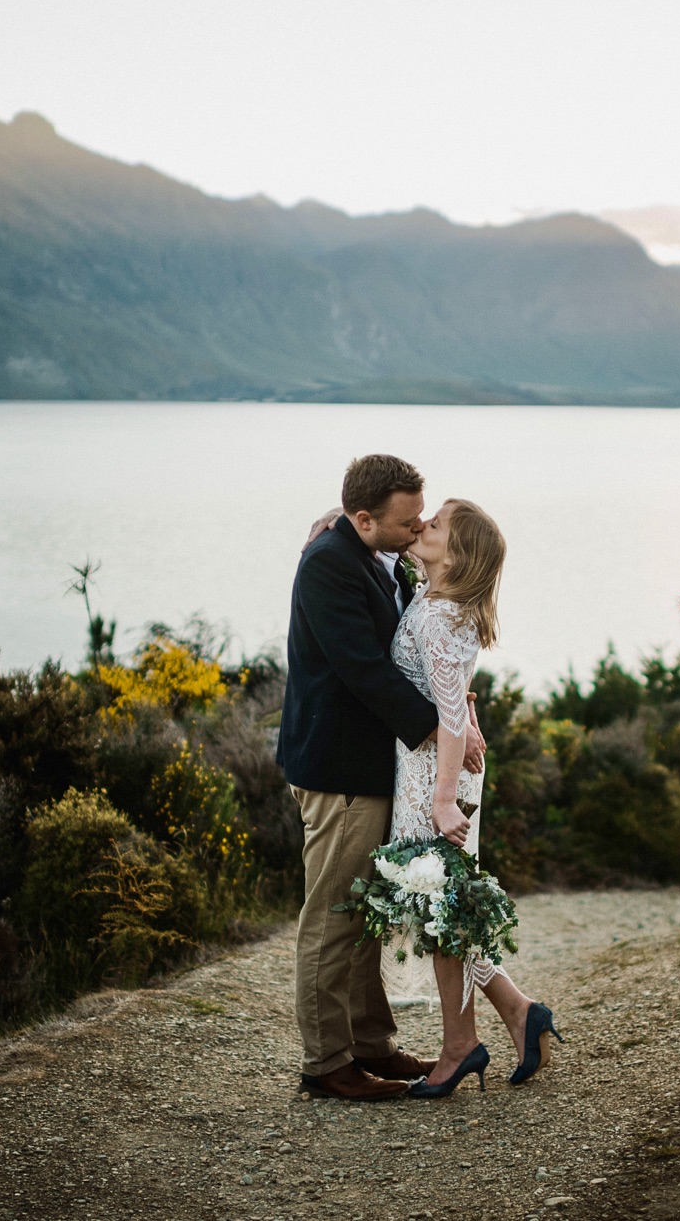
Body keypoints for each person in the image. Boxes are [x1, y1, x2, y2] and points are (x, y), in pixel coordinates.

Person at [278, 454, 486, 1101]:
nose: (418, 525)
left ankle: (370, 1042)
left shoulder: (373, 553)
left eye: (421, 513)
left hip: (373, 768)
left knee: (365, 912)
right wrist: (447, 727)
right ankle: (326, 1062)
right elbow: (365, 671)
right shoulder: (327, 566)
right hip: (338, 770)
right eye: (407, 520)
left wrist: (461, 713)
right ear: (363, 518)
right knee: (334, 916)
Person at [385, 499, 562, 1098]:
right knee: (444, 903)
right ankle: (517, 1012)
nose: (421, 525)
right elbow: (454, 695)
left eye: (433, 525)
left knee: (439, 905)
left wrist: (440, 801)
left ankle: (460, 1045)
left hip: (436, 775)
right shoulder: (437, 599)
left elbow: (451, 718)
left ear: (456, 555)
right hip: (430, 767)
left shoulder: (442, 617)